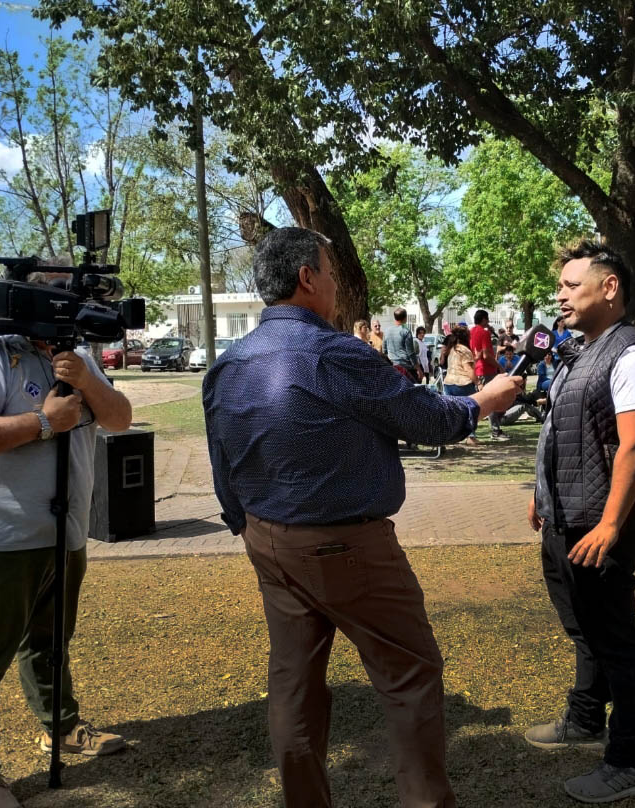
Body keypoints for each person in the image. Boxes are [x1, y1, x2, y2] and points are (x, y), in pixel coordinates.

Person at [202, 227, 522, 808]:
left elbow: (221, 458)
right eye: (330, 271)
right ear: (307, 278)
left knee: (294, 684)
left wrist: (242, 524)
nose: (336, 284)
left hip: (268, 541)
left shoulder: (229, 364)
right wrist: (486, 400)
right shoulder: (336, 353)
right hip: (346, 545)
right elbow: (429, 420)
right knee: (409, 675)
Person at [0, 282, 132, 808]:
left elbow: (119, 418)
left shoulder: (80, 360)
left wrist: (86, 380)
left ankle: (61, 727)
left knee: (51, 644)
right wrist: (44, 422)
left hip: (64, 538)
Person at [525, 240, 635, 804]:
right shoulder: (582, 352)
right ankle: (585, 718)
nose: (560, 295)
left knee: (615, 639)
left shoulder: (633, 357)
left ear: (609, 288)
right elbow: (564, 432)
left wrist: (609, 526)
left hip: (598, 526)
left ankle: (630, 761)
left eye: (571, 285)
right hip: (563, 517)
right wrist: (541, 494)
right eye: (559, 286)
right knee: (583, 629)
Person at [471, 309, 507, 440]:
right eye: (487, 319)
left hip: (476, 370)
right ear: (484, 319)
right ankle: (495, 431)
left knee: (478, 401)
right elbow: (486, 356)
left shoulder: (471, 332)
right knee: (492, 400)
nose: (489, 322)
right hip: (487, 370)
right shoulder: (484, 333)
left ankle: (471, 432)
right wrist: (499, 366)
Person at [442, 326, 480, 445]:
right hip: (463, 384)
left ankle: (452, 437)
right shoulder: (464, 350)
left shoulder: (452, 349)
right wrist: (478, 383)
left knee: (453, 411)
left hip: (448, 383)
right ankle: (471, 436)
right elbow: (468, 369)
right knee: (471, 409)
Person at [383, 307, 422, 383]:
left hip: (392, 366)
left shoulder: (387, 331)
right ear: (405, 318)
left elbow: (384, 350)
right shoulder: (406, 331)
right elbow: (410, 352)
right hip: (405, 367)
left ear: (394, 318)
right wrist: (418, 368)